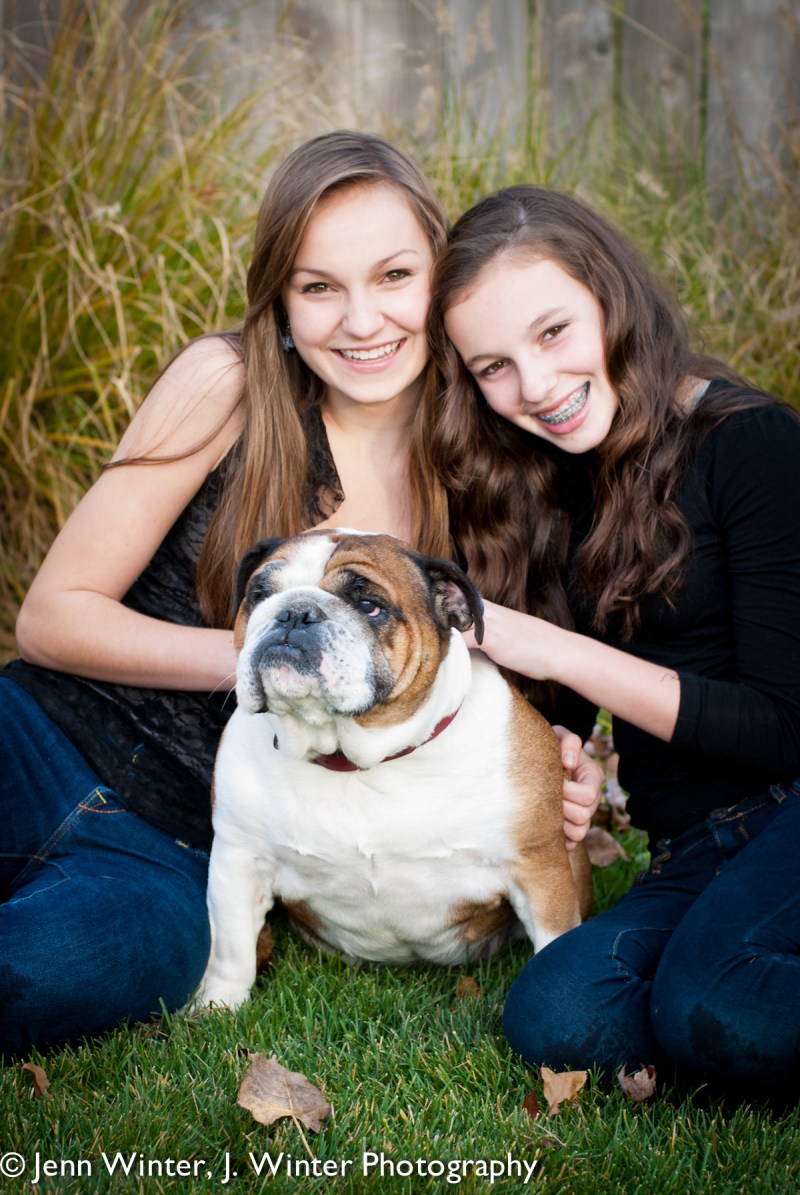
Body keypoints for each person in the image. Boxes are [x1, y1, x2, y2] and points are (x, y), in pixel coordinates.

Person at [0, 136, 601, 1059]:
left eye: (394, 276)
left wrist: (565, 759)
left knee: (45, 969)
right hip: (41, 737)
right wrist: (280, 656)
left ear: (440, 281)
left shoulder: (500, 457)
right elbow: (50, 616)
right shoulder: (229, 385)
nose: (361, 319)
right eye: (319, 286)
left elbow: (519, 691)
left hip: (180, 845)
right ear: (280, 300)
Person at [427, 183, 800, 1100]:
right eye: (494, 366)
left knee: (720, 1002)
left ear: (611, 298)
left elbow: (786, 725)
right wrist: (561, 746)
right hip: (697, 847)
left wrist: (563, 653)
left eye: (553, 332)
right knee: (558, 1014)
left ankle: (716, 1010)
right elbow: (572, 711)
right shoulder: (554, 482)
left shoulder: (750, 444)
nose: (535, 386)